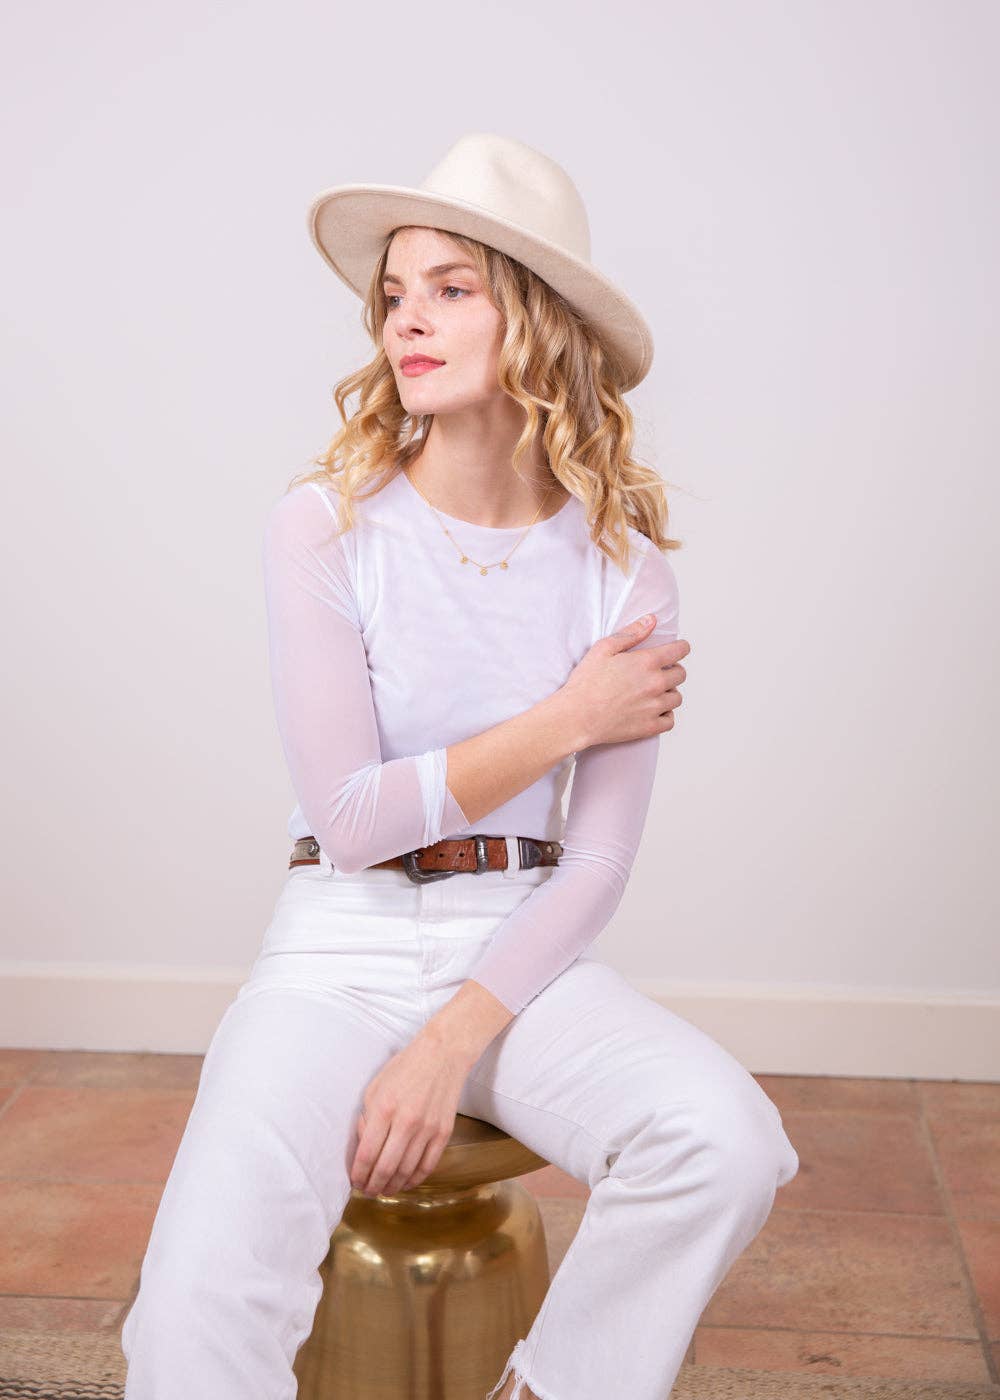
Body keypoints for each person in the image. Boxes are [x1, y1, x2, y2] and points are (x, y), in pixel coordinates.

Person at [120, 133, 799, 1400]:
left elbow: (596, 862)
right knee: (192, 1311)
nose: (406, 321)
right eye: (393, 293)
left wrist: (448, 1043)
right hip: (336, 941)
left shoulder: (623, 570)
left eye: (450, 288)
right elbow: (352, 817)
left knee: (725, 1139)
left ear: (534, 318)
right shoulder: (326, 526)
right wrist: (571, 715)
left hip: (520, 943)